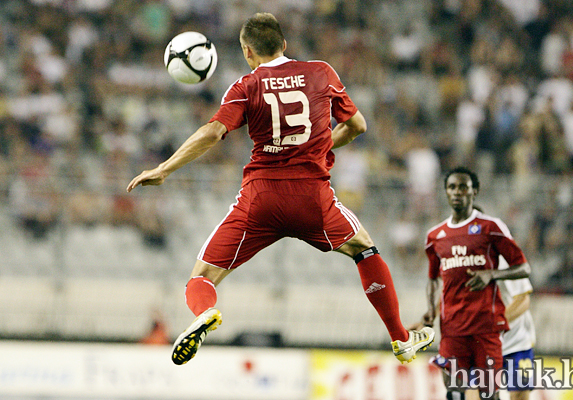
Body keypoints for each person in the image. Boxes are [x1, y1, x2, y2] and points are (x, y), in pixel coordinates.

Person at [127, 13, 434, 366]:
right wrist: (319, 148)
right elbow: (357, 126)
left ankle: (204, 313)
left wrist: (164, 169)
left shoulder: (245, 86)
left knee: (202, 277)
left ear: (247, 51)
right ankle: (400, 338)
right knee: (365, 250)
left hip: (260, 199)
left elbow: (212, 133)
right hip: (313, 199)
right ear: (284, 44)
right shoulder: (321, 72)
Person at [419, 167, 531, 400]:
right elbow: (432, 279)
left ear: (474, 191)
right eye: (452, 187)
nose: (457, 192)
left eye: (463, 187)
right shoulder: (435, 235)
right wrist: (429, 312)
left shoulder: (491, 228)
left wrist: (491, 275)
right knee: (454, 392)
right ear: (445, 192)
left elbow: (524, 267)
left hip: (486, 329)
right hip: (452, 329)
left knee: (491, 394)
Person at [464, 257, 536, 400]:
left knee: (518, 395)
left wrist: (495, 323)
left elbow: (523, 300)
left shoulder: (504, 259)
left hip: (516, 342)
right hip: (483, 344)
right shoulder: (459, 259)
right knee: (476, 394)